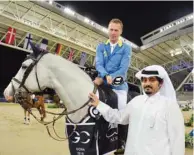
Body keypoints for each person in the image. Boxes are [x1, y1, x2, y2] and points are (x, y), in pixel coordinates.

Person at [89, 65, 185, 155]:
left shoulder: (170, 106)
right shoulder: (136, 101)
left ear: (160, 83)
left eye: (152, 80)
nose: (147, 83)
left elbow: (177, 141)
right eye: (144, 80)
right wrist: (99, 104)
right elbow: (119, 117)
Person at [94, 18, 131, 110]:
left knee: (121, 112)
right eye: (111, 29)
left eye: (116, 30)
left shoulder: (126, 48)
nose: (113, 33)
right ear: (108, 30)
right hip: (100, 81)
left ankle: (117, 124)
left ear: (120, 32)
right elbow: (99, 64)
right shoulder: (101, 47)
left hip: (118, 85)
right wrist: (105, 76)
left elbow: (123, 69)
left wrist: (109, 77)